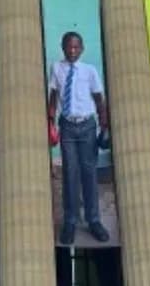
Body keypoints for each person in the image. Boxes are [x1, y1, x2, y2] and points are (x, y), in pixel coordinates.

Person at [47, 30, 110, 245]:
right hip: (67, 128)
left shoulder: (90, 71)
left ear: (82, 49)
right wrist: (50, 123)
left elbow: (99, 98)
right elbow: (53, 97)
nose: (72, 50)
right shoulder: (56, 68)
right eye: (68, 47)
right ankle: (71, 221)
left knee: (89, 173)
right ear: (63, 48)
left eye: (76, 47)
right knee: (70, 174)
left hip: (87, 127)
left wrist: (104, 123)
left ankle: (94, 220)